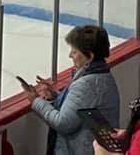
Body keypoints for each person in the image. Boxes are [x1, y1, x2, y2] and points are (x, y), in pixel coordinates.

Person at [21, 25, 120, 155]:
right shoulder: (100, 75)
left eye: (74, 51)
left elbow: (63, 123)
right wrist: (55, 97)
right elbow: (80, 108)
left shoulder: (87, 84)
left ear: (90, 56)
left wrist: (36, 101)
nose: (70, 55)